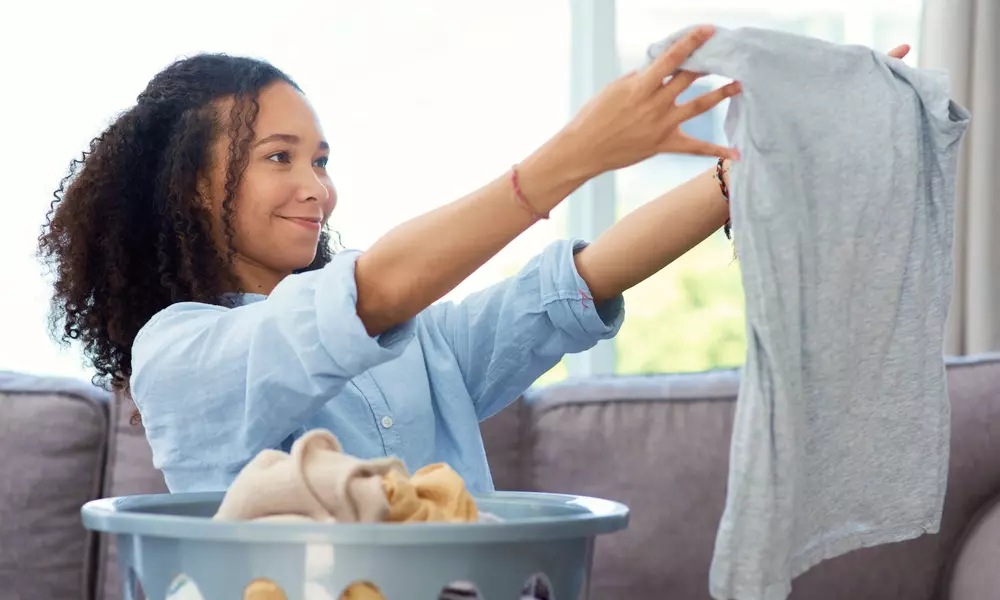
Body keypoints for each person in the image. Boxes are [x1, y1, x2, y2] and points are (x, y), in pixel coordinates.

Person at [38, 26, 907, 493]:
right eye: (279, 157)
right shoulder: (178, 354)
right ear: (193, 185)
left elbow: (577, 280)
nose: (316, 187)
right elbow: (366, 294)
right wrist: (575, 155)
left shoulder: (419, 347)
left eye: (322, 159)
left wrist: (752, 172)